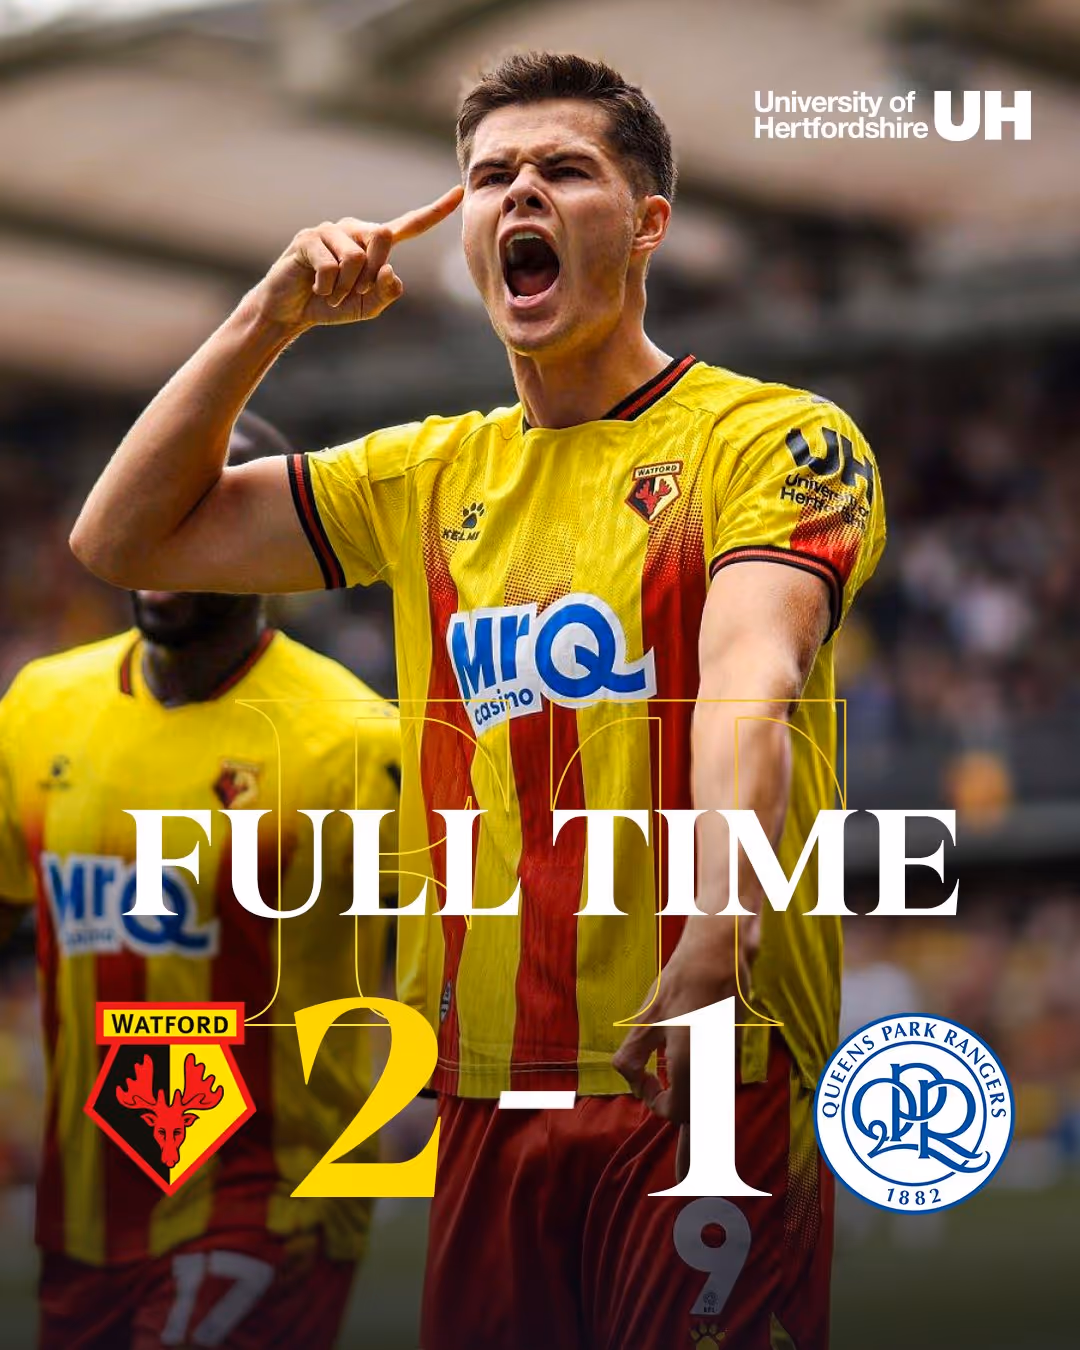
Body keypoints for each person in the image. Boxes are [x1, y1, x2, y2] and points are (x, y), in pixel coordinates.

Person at [70, 53, 885, 1350]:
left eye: (564, 169)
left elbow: (753, 674)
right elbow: (122, 539)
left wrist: (719, 925)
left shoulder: (772, 439)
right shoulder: (426, 475)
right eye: (492, 175)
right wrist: (270, 315)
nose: (522, 194)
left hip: (703, 1064)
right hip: (487, 1094)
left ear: (649, 224)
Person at [0, 412, 401, 1349]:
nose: (163, 525)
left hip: (268, 1204)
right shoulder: (41, 707)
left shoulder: (354, 738)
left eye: (202, 504)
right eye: (151, 496)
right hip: (85, 1214)